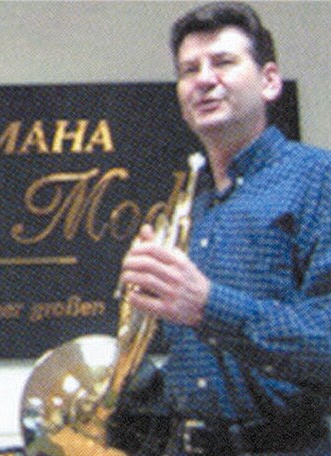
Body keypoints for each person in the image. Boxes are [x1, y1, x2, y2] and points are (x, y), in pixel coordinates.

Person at [107, 2, 331, 455]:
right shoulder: (192, 204)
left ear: (269, 81)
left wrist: (207, 305)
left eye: (223, 62)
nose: (204, 79)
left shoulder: (317, 178)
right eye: (189, 70)